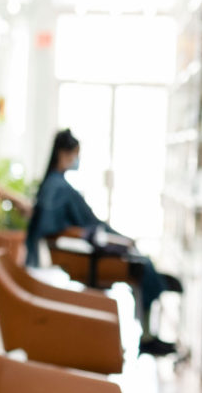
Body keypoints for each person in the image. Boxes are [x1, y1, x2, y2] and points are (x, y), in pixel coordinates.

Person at [25, 128, 179, 356]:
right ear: (65, 153)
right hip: (84, 256)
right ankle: (146, 337)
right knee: (143, 266)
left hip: (88, 245)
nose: (77, 160)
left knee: (142, 263)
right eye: (76, 154)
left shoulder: (55, 184)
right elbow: (63, 229)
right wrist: (105, 238)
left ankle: (147, 336)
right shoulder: (58, 187)